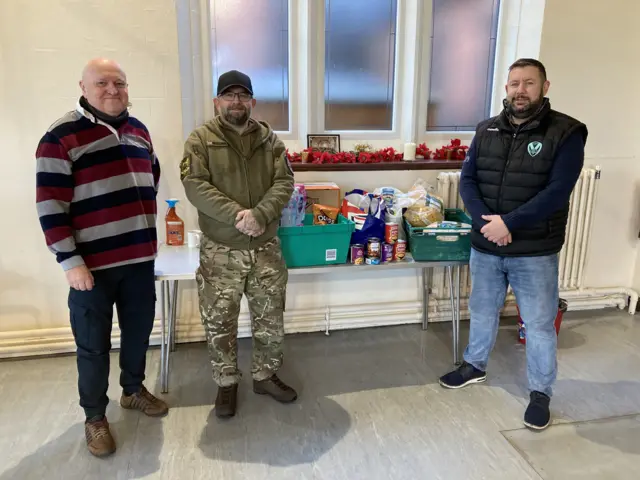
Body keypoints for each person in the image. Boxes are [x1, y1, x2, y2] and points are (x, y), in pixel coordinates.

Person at [438, 58, 587, 430]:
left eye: (529, 83)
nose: (520, 90)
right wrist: (487, 223)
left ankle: (540, 392)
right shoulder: (485, 129)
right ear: (506, 88)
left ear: (545, 87)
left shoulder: (567, 132)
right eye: (514, 83)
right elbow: (468, 180)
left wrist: (509, 223)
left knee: (538, 324)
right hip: (486, 245)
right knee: (482, 309)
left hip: (534, 250)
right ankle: (474, 365)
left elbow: (557, 192)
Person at [35, 58, 169, 457]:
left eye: (120, 83)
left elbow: (151, 180)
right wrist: (69, 261)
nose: (112, 90)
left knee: (139, 331)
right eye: (102, 83)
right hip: (90, 268)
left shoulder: (139, 131)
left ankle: (132, 390)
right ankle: (95, 416)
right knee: (92, 345)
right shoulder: (60, 137)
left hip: (139, 259)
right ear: (83, 86)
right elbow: (49, 205)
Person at [181, 70, 296, 418]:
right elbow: (195, 184)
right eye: (228, 96)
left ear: (252, 101)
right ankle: (226, 382)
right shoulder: (201, 139)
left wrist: (260, 214)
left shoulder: (270, 140)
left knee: (270, 317)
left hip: (265, 247)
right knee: (219, 320)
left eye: (242, 96)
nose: (236, 102)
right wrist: (238, 215)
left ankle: (265, 374)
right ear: (217, 102)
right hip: (221, 249)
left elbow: (284, 181)